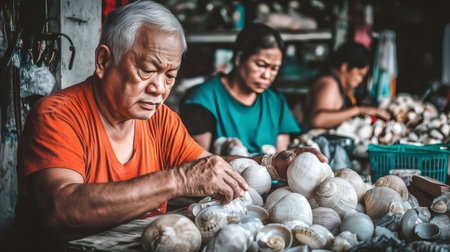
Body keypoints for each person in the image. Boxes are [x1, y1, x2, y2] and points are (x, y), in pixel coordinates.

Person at [13, 1, 327, 251]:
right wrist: (177, 181)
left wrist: (273, 164)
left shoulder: (161, 120)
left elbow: (209, 167)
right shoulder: (57, 115)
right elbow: (61, 208)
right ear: (104, 61)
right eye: (148, 70)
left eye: (170, 76)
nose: (159, 88)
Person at [180, 23, 301, 155]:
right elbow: (198, 164)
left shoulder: (275, 102)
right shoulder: (202, 100)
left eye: (274, 68)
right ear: (239, 58)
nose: (266, 75)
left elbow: (282, 159)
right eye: (261, 65)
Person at [306, 42, 391, 129]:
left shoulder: (336, 83)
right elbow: (317, 121)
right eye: (359, 74)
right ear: (345, 66)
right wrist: (358, 110)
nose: (360, 80)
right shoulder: (329, 84)